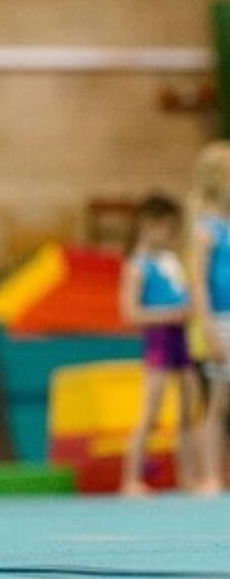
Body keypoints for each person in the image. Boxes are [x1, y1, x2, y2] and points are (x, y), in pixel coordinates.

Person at [119, 193, 207, 496]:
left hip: (182, 338)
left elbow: (186, 297)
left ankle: (188, 477)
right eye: (169, 229)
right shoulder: (137, 266)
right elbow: (130, 312)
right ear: (148, 226)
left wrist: (191, 309)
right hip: (159, 340)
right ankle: (131, 479)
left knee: (190, 412)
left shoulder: (171, 261)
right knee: (151, 412)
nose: (173, 236)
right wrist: (169, 314)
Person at [190, 140, 230, 494]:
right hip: (220, 320)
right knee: (218, 399)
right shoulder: (206, 227)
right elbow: (199, 281)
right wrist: (208, 329)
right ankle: (210, 475)